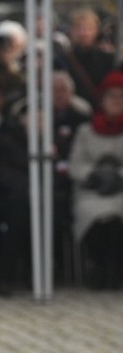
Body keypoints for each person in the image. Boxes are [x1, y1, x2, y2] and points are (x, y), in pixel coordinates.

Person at [68, 70, 123, 289]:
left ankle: (116, 268)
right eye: (112, 96)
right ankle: (98, 266)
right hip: (92, 190)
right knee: (96, 216)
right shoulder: (85, 131)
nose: (116, 101)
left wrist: (117, 175)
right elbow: (76, 163)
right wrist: (94, 175)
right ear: (102, 100)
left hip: (120, 190)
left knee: (117, 216)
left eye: (121, 96)